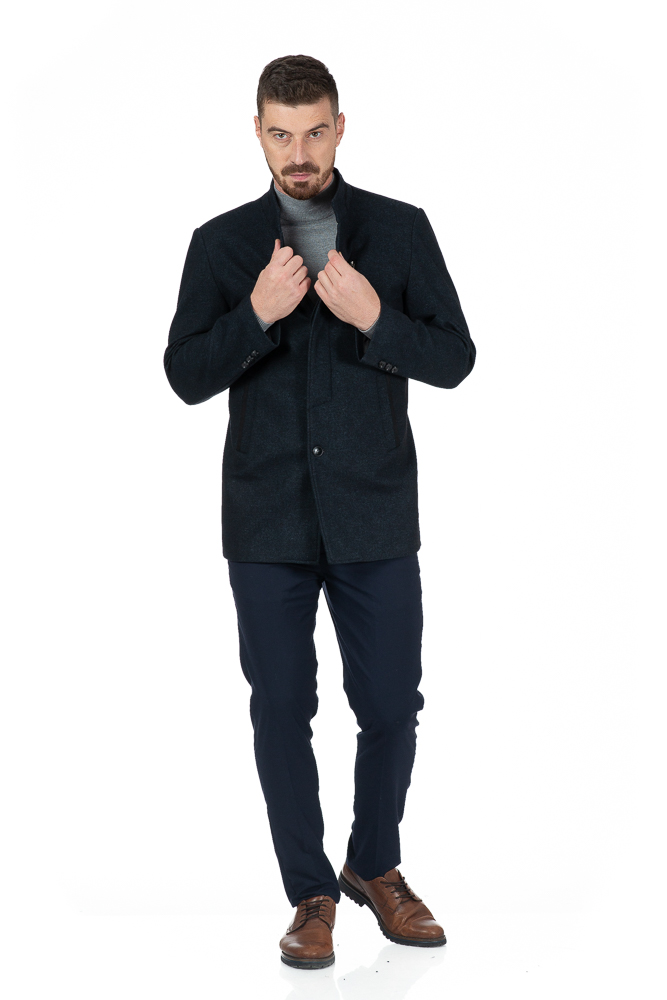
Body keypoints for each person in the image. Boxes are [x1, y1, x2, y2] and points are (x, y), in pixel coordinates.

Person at [164, 54, 475, 970]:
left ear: (340, 128)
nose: (297, 153)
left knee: (391, 703)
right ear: (257, 133)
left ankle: (374, 866)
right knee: (280, 709)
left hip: (375, 511)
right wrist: (254, 315)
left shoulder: (401, 230)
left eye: (312, 132)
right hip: (266, 519)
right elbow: (184, 375)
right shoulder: (219, 244)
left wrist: (376, 318)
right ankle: (310, 895)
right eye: (279, 134)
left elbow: (455, 358)